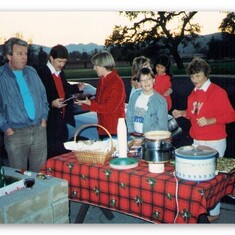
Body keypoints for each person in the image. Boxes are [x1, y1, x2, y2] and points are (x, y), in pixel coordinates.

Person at [172, 57, 235, 222]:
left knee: (212, 179)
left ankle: (214, 213)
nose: (195, 80)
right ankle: (201, 209)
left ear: (206, 74)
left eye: (198, 76)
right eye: (192, 77)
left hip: (214, 141)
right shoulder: (194, 93)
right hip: (197, 140)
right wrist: (183, 113)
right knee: (199, 179)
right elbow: (194, 114)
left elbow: (231, 115)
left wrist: (210, 120)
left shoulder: (217, 92)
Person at [0, 37, 49, 172]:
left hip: (39, 130)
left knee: (40, 175)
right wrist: (6, 128)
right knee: (18, 177)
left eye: (26, 54)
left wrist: (43, 119)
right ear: (9, 56)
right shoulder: (1, 76)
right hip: (16, 134)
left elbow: (43, 96)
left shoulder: (32, 72)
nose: (24, 58)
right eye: (19, 54)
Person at [37, 44, 95, 158]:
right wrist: (52, 103)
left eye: (64, 62)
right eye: (59, 61)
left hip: (62, 119)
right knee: (52, 153)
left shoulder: (60, 73)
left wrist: (77, 88)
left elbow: (64, 88)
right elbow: (38, 97)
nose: (62, 65)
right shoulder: (41, 73)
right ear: (51, 58)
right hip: (49, 121)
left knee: (63, 152)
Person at [75, 50, 126, 140]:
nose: (94, 68)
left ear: (103, 66)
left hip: (114, 130)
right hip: (103, 128)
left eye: (96, 65)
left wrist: (90, 103)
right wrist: (84, 103)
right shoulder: (102, 80)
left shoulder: (116, 82)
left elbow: (110, 108)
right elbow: (99, 102)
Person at [126, 67, 168, 135]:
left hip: (151, 139)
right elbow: (129, 115)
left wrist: (147, 137)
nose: (146, 82)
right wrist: (131, 132)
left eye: (149, 79)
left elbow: (162, 126)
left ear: (154, 80)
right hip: (135, 137)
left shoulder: (161, 101)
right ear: (139, 82)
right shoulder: (135, 96)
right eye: (142, 80)